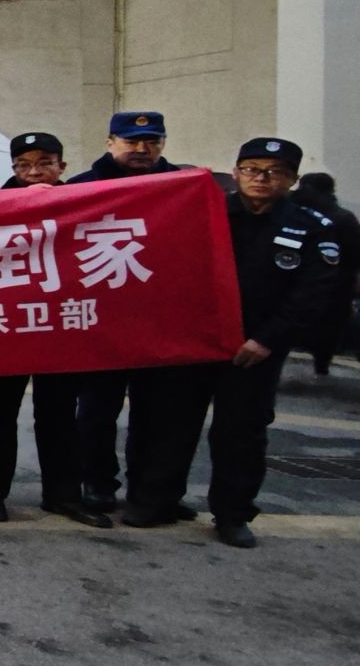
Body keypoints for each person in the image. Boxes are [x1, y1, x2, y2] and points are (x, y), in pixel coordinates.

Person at [135, 139, 341, 547]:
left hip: (256, 349)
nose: (261, 179)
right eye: (251, 169)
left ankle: (232, 514)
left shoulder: (312, 227)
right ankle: (156, 501)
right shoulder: (206, 211)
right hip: (196, 342)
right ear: (236, 172)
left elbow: (313, 293)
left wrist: (267, 339)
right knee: (171, 423)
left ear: (292, 180)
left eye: (275, 172)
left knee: (241, 433)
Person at [0, 133, 110, 527]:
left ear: (61, 166)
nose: (34, 172)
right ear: (13, 168)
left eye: (44, 163)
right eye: (24, 165)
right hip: (6, 324)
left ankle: (63, 495)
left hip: (59, 324)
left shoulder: (82, 204)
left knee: (60, 413)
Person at [66, 111, 184, 515]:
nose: (142, 149)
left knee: (157, 416)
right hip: (100, 323)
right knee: (96, 412)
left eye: (151, 141)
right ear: (110, 143)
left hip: (160, 324)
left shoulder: (180, 187)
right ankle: (98, 484)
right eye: (131, 141)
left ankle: (149, 491)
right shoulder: (82, 188)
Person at [293, 173, 359, 374]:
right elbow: (355, 254)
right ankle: (322, 366)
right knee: (329, 329)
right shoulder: (344, 217)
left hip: (293, 280)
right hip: (335, 285)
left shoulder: (290, 211)